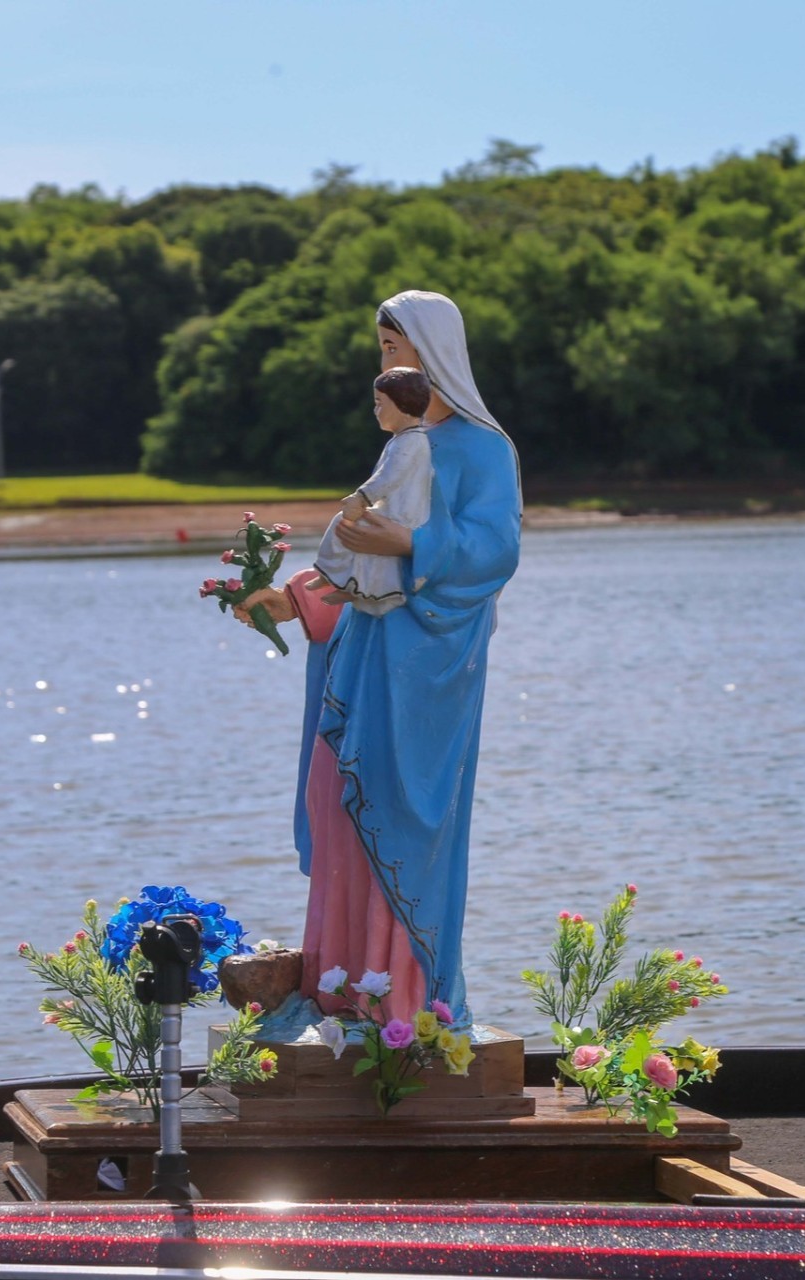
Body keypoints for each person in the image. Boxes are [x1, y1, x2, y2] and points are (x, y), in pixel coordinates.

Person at [240, 289, 521, 1026]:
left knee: (401, 823)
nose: (385, 361)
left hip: (427, 676)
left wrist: (410, 545)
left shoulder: (483, 448)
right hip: (365, 665)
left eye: (393, 347)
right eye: (382, 349)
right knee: (341, 807)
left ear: (432, 351)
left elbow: (495, 553)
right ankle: (341, 989)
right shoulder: (405, 443)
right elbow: (362, 562)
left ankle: (401, 1001)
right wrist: (295, 599)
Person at [311, 366, 435, 615]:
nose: (376, 410)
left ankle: (343, 579)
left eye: (380, 403)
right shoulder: (404, 439)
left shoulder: (412, 442)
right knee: (350, 527)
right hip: (392, 510)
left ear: (402, 404)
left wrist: (361, 498)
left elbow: (388, 478)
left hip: (404, 515)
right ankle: (342, 579)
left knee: (347, 524)